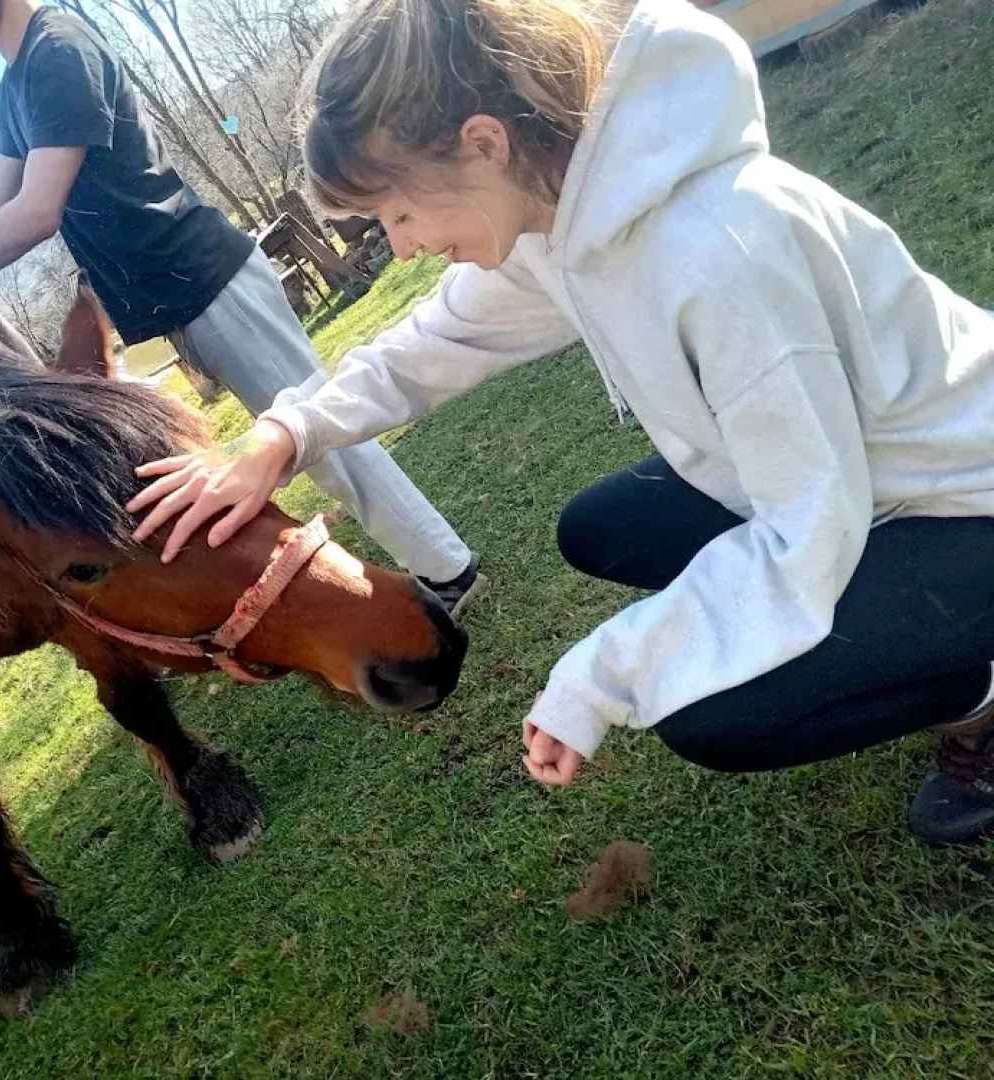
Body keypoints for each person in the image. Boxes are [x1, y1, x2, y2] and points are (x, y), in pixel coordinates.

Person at [126, 0, 994, 845]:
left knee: (716, 717)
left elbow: (810, 532)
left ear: (483, 144)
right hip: (860, 480)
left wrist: (604, 675)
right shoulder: (563, 217)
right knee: (600, 529)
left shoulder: (716, 255)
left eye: (399, 213)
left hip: (958, 497)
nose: (401, 244)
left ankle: (977, 695)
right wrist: (284, 436)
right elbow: (432, 343)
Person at [0, 0, 487, 614]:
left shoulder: (58, 50)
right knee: (314, 442)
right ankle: (438, 567)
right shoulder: (15, 86)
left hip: (211, 278)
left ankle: (450, 571)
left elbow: (36, 210)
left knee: (325, 441)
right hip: (180, 300)